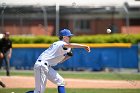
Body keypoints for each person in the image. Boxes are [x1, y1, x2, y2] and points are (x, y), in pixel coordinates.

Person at [26, 29, 90, 93]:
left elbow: (60, 61)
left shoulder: (61, 45)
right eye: (69, 36)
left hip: (46, 66)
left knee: (61, 82)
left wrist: (68, 56)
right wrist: (84, 46)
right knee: (38, 92)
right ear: (64, 37)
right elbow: (69, 45)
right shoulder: (61, 43)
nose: (70, 38)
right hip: (41, 65)